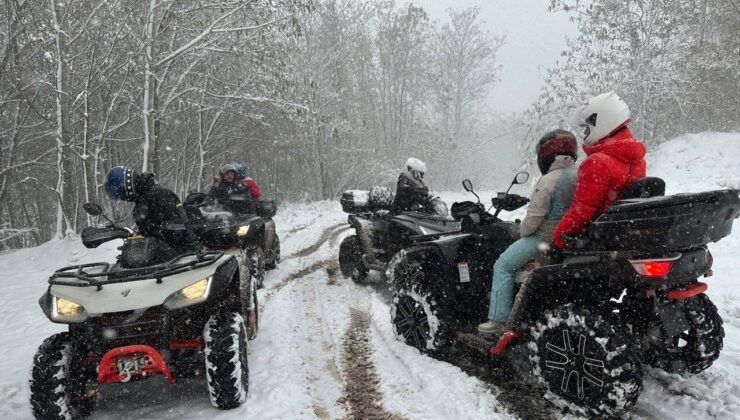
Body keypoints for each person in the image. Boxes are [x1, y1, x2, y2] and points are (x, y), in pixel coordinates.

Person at [478, 130, 578, 334]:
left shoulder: (548, 180)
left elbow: (532, 221)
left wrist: (521, 231)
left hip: (545, 237)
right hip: (572, 237)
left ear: (546, 154)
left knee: (503, 266)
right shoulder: (580, 174)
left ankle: (498, 321)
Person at [551, 91, 647, 250]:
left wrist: (558, 239)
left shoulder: (597, 162)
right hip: (624, 235)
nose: (585, 133)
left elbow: (582, 211)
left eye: (586, 128)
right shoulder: (638, 160)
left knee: (540, 267)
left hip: (600, 238)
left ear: (600, 121)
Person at [103, 166, 197, 252]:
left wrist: (154, 239)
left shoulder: (157, 196)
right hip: (168, 255)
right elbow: (152, 230)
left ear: (126, 187)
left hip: (179, 256)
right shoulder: (144, 199)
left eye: (121, 194)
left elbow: (175, 230)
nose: (123, 199)